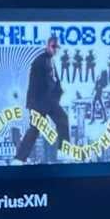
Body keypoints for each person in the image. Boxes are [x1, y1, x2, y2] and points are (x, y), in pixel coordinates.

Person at [15, 34, 71, 163]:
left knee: (62, 119)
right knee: (35, 129)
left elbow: (54, 81)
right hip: (40, 103)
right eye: (53, 46)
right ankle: (19, 158)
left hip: (48, 102)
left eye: (56, 47)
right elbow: (37, 84)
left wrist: (58, 93)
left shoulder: (50, 60)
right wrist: (36, 105)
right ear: (47, 46)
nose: (55, 50)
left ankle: (63, 151)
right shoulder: (40, 61)